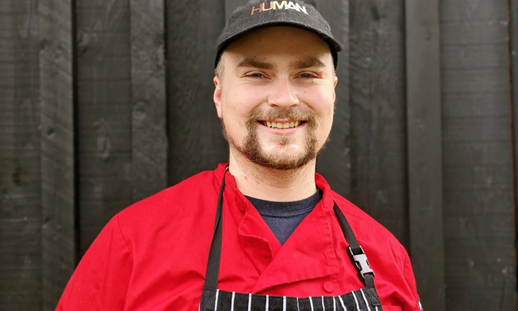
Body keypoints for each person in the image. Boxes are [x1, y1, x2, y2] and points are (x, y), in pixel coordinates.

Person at [56, 1, 423, 310]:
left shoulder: (386, 256)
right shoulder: (133, 242)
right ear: (219, 95)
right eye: (256, 74)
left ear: (333, 92)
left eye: (307, 74)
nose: (283, 98)